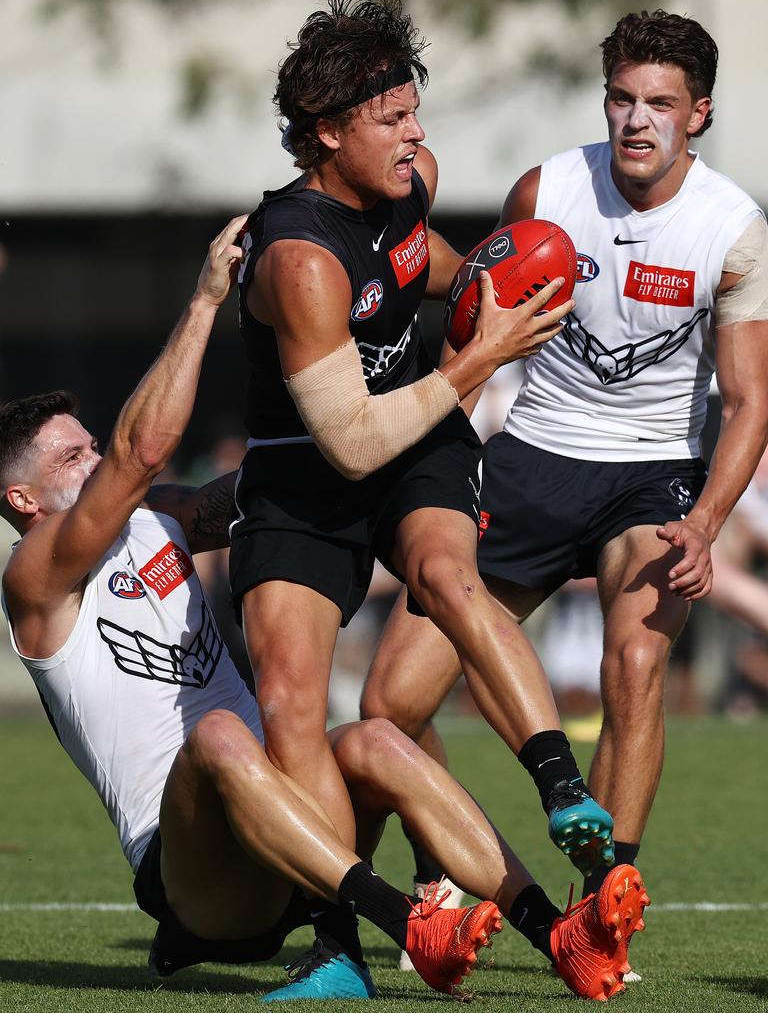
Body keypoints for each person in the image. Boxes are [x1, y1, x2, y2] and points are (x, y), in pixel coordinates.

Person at [0, 238, 650, 1004]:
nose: (98, 460)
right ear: (23, 502)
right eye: (75, 459)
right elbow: (142, 453)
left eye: (92, 446)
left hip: (289, 828)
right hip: (199, 881)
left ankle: (560, 936)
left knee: (378, 737)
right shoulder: (35, 580)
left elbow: (314, 467)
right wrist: (209, 301)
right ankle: (409, 922)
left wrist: (456, 361)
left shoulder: (159, 520)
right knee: (218, 735)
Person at [232, 0, 613, 987]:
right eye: (392, 117)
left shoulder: (412, 184)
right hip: (312, 467)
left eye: (416, 109)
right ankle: (338, 943)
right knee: (289, 703)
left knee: (448, 573)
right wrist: (486, 355)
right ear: (326, 131)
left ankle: (565, 791)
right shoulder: (299, 260)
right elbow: (350, 443)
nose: (417, 134)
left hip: (420, 436)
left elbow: (423, 266)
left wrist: (492, 284)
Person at [361, 5, 768, 931]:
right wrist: (429, 465)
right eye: (621, 97)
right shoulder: (546, 190)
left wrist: (704, 523)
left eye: (660, 103)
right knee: (391, 700)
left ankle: (599, 911)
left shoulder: (736, 230)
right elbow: (478, 333)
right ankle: (451, 862)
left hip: (652, 470)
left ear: (697, 113)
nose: (636, 119)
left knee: (634, 661)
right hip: (530, 456)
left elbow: (748, 402)